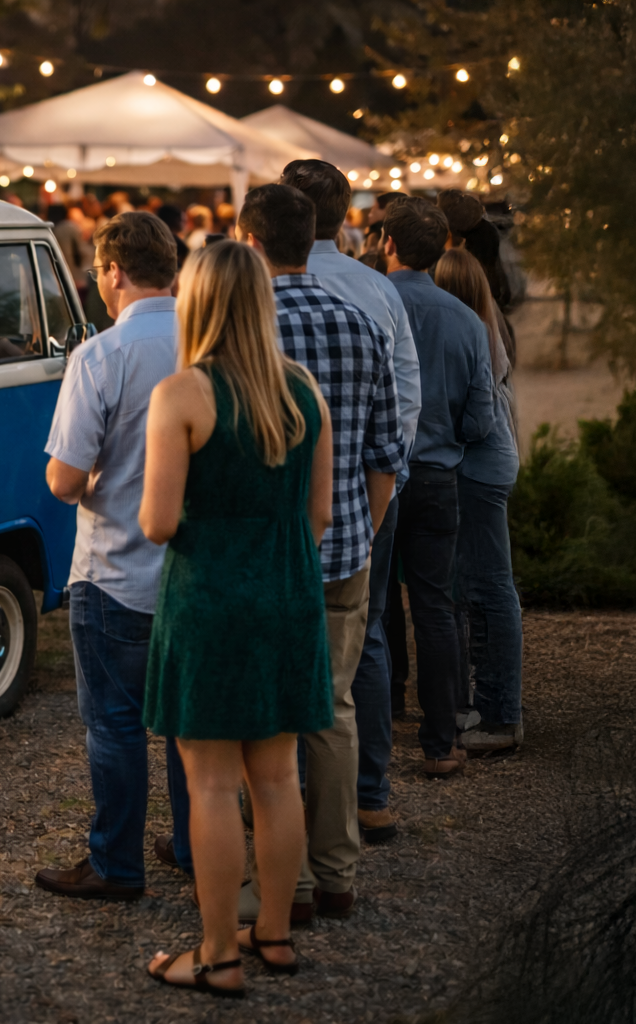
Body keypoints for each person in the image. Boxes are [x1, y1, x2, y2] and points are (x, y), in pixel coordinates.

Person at [140, 240, 334, 997]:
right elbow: (318, 514)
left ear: (197, 302)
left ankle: (218, 954)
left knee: (214, 784)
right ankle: (275, 933)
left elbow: (158, 522)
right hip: (288, 597)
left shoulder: (183, 394)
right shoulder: (303, 393)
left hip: (209, 601)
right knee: (279, 777)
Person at [235, 184, 404, 922]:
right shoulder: (361, 325)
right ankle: (337, 875)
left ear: (250, 241)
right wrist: (359, 530)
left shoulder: (245, 335)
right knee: (332, 711)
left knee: (268, 719)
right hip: (344, 554)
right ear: (316, 238)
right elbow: (386, 454)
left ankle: (284, 882)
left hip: (264, 557)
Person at [35, 212, 182, 901]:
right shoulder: (210, 344)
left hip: (115, 567)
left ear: (114, 272)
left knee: (116, 725)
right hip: (187, 571)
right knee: (187, 723)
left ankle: (117, 864)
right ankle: (192, 842)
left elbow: (64, 481)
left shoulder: (101, 356)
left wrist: (98, 475)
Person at [280, 159, 422, 845]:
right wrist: (374, 511)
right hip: (365, 499)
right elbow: (405, 402)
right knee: (360, 645)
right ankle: (368, 800)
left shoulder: (249, 307)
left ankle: (277, 816)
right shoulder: (374, 295)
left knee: (277, 671)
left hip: (272, 521)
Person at [384, 197, 496, 778]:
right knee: (434, 604)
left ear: (387, 244)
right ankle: (439, 740)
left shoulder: (372, 306)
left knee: (376, 604)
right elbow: (481, 421)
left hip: (377, 477)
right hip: (437, 476)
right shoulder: (466, 320)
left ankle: (383, 717)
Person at [432, 249, 524, 754]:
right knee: (476, 588)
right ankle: (492, 706)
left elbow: (478, 421)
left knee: (488, 587)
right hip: (490, 467)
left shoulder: (466, 331)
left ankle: (501, 715)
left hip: (478, 470)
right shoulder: (490, 325)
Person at [48, 202, 92, 309]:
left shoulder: (53, 229)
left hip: (58, 276)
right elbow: (80, 251)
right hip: (77, 276)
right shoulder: (71, 227)